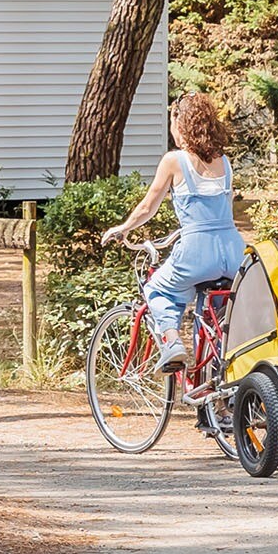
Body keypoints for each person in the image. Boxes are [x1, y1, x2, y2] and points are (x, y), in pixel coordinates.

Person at [103, 92, 250, 373]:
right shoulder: (224, 161)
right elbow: (224, 210)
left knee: (157, 288)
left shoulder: (174, 160)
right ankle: (212, 388)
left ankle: (172, 345)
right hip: (233, 251)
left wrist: (123, 229)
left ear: (180, 123)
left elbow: (148, 206)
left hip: (196, 251)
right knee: (214, 316)